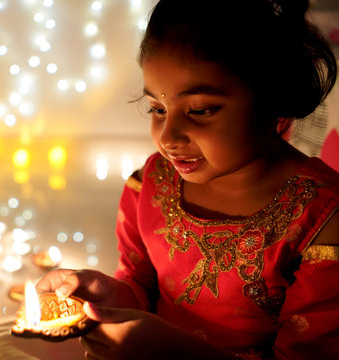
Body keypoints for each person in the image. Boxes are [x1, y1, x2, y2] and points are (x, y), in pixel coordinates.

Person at [36, 0, 339, 359]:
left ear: (273, 96)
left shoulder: (323, 219)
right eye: (158, 109)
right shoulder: (151, 183)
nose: (168, 137)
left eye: (200, 110)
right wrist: (112, 295)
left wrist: (171, 349)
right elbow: (142, 286)